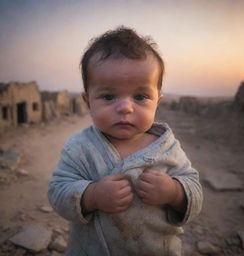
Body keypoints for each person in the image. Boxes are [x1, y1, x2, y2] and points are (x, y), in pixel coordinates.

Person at [48, 26, 203, 256]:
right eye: (108, 96)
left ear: (157, 102)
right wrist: (92, 195)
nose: (125, 108)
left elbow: (195, 192)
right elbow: (57, 192)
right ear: (88, 102)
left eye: (140, 97)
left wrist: (175, 192)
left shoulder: (167, 147)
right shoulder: (80, 147)